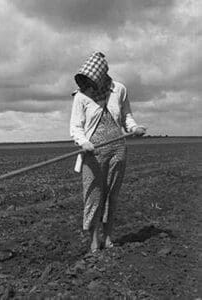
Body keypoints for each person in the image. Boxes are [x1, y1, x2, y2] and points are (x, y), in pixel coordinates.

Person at [70, 51, 146, 253]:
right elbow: (76, 127)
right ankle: (94, 240)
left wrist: (133, 128)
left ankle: (109, 237)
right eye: (85, 81)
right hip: (93, 152)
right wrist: (84, 142)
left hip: (117, 148)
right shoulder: (81, 97)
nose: (88, 85)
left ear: (102, 76)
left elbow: (127, 116)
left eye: (92, 80)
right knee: (93, 194)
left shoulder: (119, 90)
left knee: (112, 194)